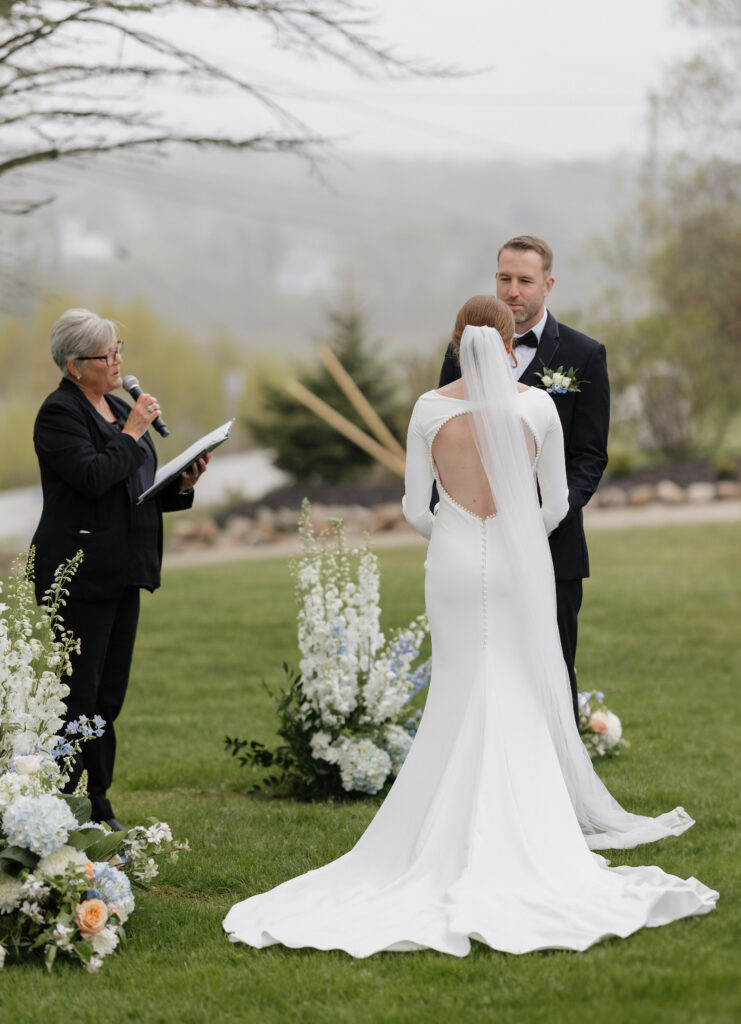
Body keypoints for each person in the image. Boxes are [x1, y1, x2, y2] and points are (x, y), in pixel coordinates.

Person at [223, 299, 715, 956]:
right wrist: (516, 534)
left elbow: (413, 508)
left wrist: (457, 530)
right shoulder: (537, 408)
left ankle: (439, 836)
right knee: (511, 683)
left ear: (456, 342)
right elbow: (556, 503)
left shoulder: (429, 410)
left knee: (457, 688)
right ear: (509, 344)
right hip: (515, 563)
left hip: (453, 564)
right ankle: (526, 836)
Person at [31, 308, 209, 830]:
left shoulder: (115, 405)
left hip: (124, 569)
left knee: (108, 698)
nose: (117, 362)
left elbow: (134, 487)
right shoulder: (59, 415)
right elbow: (93, 477)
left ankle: (97, 801)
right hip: (79, 574)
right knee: (78, 696)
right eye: (105, 355)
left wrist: (183, 483)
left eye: (118, 351)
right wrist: (131, 433)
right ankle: (67, 807)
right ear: (74, 366)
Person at [439, 237, 609, 724]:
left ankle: (558, 767)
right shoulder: (460, 351)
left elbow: (589, 456)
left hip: (553, 545)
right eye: (504, 278)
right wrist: (449, 519)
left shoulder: (583, 354)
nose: (512, 291)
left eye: (525, 281)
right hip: (474, 545)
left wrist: (545, 516)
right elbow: (443, 437)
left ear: (548, 285)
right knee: (479, 668)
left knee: (553, 668)